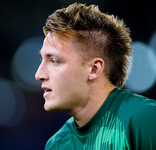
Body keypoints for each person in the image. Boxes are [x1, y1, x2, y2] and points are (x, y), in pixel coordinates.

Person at [35, 2, 156, 150]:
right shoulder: (56, 145)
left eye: (54, 61)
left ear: (94, 69)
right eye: (42, 60)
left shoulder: (145, 119)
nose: (39, 75)